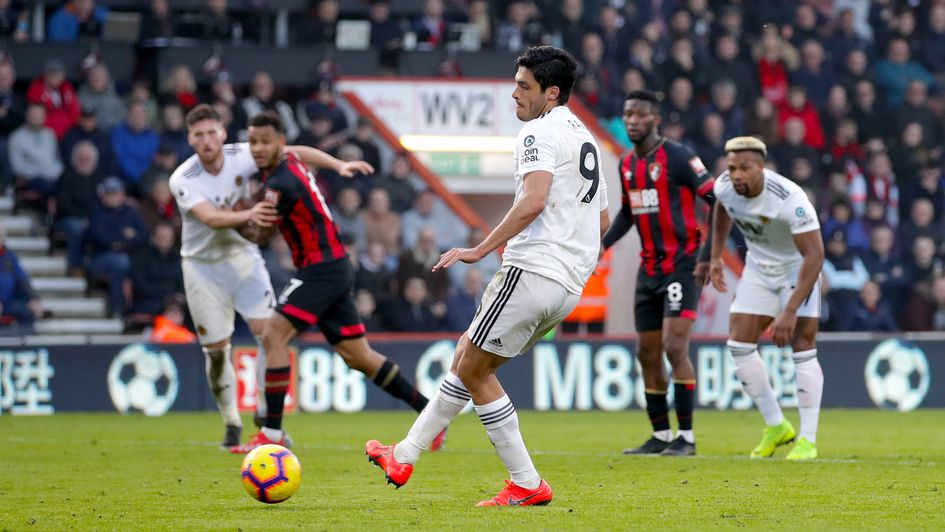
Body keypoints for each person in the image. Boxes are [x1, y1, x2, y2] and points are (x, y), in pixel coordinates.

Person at [364, 45, 610, 507]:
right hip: (566, 284)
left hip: (533, 269)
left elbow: (534, 200)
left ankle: (527, 482)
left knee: (476, 370)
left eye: (524, 86)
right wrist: (572, 263)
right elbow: (602, 220)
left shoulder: (538, 133)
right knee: (468, 359)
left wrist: (481, 247)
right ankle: (404, 453)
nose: (513, 94)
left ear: (551, 93)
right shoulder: (585, 138)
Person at [230, 111, 441, 454]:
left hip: (321, 270)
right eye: (253, 141)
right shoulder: (288, 159)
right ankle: (430, 413)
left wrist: (234, 216)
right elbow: (304, 152)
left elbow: (261, 233)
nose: (257, 148)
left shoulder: (278, 185)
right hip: (335, 266)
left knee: (273, 335)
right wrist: (337, 165)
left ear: (279, 142)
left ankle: (271, 434)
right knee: (359, 356)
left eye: (265, 141)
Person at [600, 90, 716, 457]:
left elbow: (717, 201)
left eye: (640, 114)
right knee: (646, 353)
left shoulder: (679, 157)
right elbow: (628, 213)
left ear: (655, 119)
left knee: (674, 346)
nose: (632, 120)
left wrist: (708, 255)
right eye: (627, 114)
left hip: (683, 265)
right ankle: (662, 436)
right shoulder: (625, 165)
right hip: (648, 270)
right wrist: (602, 244)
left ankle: (688, 437)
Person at [709, 136, 825, 461]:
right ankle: (776, 425)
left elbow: (815, 256)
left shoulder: (790, 199)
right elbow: (721, 208)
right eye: (732, 168)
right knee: (739, 346)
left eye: (744, 168)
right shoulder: (725, 186)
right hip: (759, 268)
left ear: (761, 167)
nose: (737, 175)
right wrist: (715, 255)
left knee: (802, 347)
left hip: (797, 271)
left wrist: (789, 311)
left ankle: (808, 440)